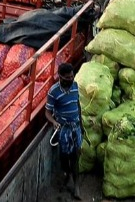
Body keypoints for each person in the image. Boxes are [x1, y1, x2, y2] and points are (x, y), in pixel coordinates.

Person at [45, 63, 83, 200]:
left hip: (76, 126)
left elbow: (78, 105)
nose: (71, 79)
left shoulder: (75, 86)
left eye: (72, 76)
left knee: (75, 156)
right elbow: (47, 112)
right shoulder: (54, 91)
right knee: (64, 156)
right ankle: (67, 175)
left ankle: (76, 185)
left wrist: (81, 125)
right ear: (60, 77)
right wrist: (54, 122)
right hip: (64, 129)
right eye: (67, 77)